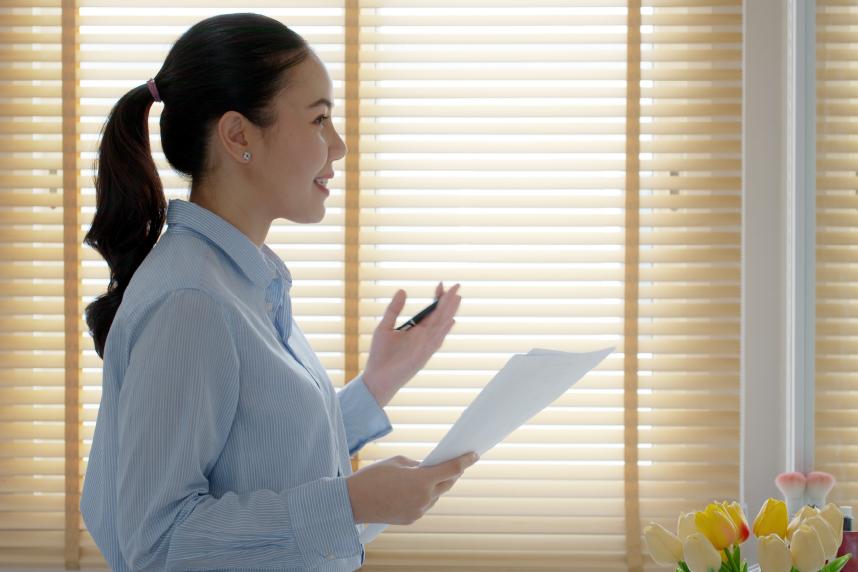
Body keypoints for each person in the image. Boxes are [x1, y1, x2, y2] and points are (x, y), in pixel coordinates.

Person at [79, 13, 478, 571]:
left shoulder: (241, 282)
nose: (337, 147)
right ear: (239, 136)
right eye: (319, 120)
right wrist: (353, 500)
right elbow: (158, 544)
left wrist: (377, 383)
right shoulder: (191, 302)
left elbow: (264, 460)